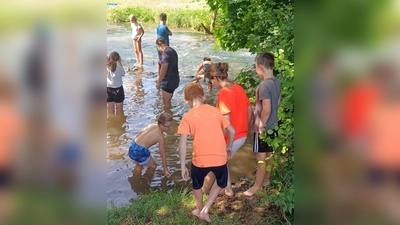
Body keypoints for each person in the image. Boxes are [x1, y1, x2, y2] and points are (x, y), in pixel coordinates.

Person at [178, 82, 236, 223]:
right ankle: (206, 209)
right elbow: (232, 131)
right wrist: (229, 146)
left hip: (200, 160)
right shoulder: (215, 111)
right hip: (220, 158)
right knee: (221, 183)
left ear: (186, 100)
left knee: (197, 185)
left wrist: (182, 166)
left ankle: (200, 208)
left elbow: (183, 144)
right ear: (203, 96)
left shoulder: (187, 117)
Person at [206, 62, 252, 196]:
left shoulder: (223, 93)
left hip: (232, 137)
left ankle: (222, 189)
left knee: (218, 162)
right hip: (242, 135)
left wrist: (224, 142)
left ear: (215, 78)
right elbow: (249, 110)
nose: (212, 85)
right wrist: (245, 127)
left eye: (211, 81)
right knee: (222, 162)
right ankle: (228, 189)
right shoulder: (238, 88)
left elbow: (226, 120)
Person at [244, 52, 281, 197]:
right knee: (270, 154)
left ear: (260, 68)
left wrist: (261, 125)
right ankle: (266, 180)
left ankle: (256, 187)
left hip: (264, 127)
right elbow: (277, 103)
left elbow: (267, 108)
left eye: (255, 68)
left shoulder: (264, 86)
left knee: (260, 158)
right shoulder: (276, 82)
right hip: (274, 125)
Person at [128, 112, 173, 177]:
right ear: (161, 126)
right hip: (140, 151)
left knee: (140, 163)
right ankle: (146, 182)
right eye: (168, 126)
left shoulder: (152, 125)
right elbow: (163, 155)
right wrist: (165, 170)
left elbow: (140, 133)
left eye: (171, 125)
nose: (170, 128)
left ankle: (136, 178)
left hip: (133, 145)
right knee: (153, 166)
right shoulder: (160, 137)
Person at [156, 37, 180, 110]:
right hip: (175, 79)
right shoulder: (172, 50)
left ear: (159, 46)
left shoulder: (165, 53)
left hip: (168, 81)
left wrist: (158, 82)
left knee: (166, 104)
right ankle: (172, 116)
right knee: (168, 101)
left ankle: (168, 118)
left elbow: (164, 68)